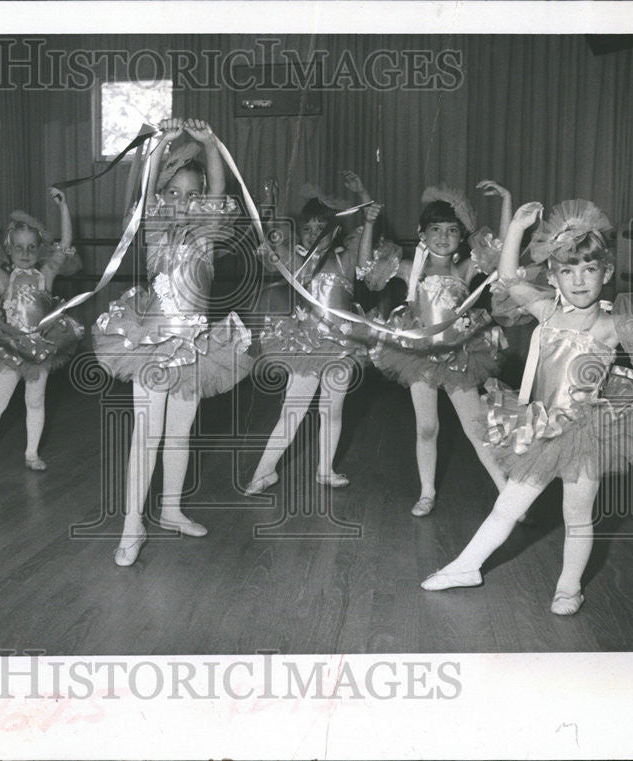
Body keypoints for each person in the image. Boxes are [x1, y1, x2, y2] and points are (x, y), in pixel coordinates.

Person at [421, 199, 633, 615]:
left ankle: (568, 587)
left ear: (607, 273)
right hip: (542, 428)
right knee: (508, 504)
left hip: (588, 433)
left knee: (576, 514)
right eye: (568, 271)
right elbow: (508, 279)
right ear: (553, 276)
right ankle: (466, 566)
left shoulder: (612, 324)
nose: (579, 281)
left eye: (589, 270)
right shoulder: (546, 311)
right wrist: (517, 230)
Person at [92, 118, 253, 566]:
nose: (184, 203)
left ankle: (170, 509)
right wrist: (161, 144)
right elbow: (142, 193)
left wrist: (209, 145)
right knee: (148, 433)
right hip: (152, 340)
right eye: (174, 194)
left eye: (193, 195)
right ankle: (132, 524)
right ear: (162, 197)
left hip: (198, 345)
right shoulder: (152, 227)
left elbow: (220, 193)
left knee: (180, 434)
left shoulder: (207, 234)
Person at [368, 182, 512, 516]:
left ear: (461, 237)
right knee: (427, 427)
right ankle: (427, 491)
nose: (443, 237)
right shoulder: (409, 269)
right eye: (435, 229)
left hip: (460, 357)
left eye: (451, 231)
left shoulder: (464, 269)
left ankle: (508, 495)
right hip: (418, 358)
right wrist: (371, 224)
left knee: (476, 427)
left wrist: (506, 202)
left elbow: (503, 253)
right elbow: (367, 270)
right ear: (421, 233)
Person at [245, 171, 383, 493]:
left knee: (331, 411)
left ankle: (325, 470)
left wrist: (367, 206)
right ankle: (264, 472)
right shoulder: (298, 260)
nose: (313, 234)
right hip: (306, 343)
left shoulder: (346, 260)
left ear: (334, 231)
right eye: (307, 229)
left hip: (342, 345)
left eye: (321, 228)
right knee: (292, 410)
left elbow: (366, 250)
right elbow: (271, 250)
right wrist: (270, 207)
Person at [0, 191, 83, 478]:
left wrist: (64, 207)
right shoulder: (3, 278)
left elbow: (66, 243)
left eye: (31, 247)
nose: (25, 253)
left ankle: (32, 453)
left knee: (35, 402)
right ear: (8, 250)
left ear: (39, 249)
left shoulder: (45, 275)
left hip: (38, 349)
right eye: (19, 247)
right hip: (8, 350)